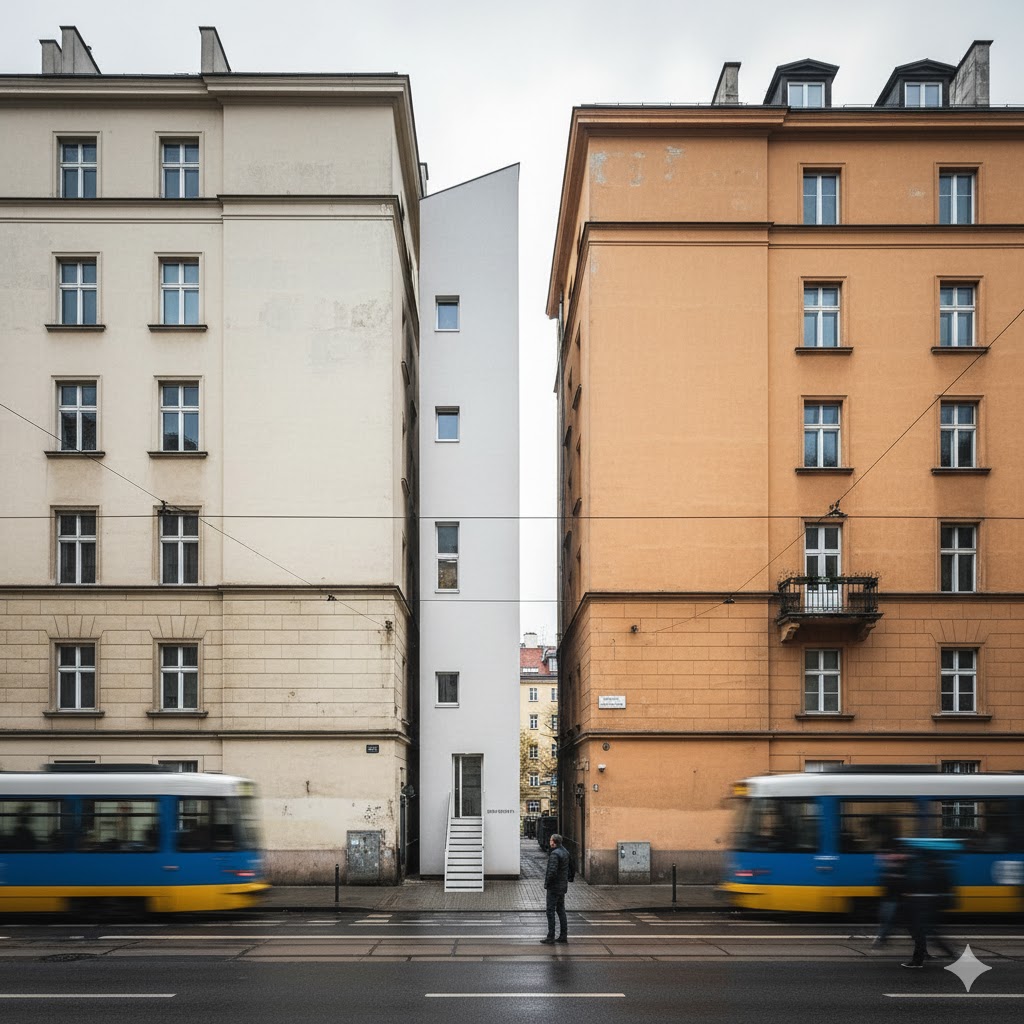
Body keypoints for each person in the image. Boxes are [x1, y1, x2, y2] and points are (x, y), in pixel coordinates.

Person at [900, 844, 957, 968]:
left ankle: (919, 960)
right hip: (928, 905)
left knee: (921, 933)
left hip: (922, 906)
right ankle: (928, 955)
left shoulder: (922, 869)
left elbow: (918, 886)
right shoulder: (933, 867)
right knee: (924, 932)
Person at [540, 832, 571, 945]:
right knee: (561, 910)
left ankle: (551, 936)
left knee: (550, 911)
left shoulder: (555, 854)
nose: (549, 841)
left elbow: (552, 872)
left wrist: (547, 884)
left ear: (553, 842)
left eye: (550, 840)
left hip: (554, 887)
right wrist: (569, 879)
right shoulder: (565, 852)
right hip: (562, 886)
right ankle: (563, 935)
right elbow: (571, 867)